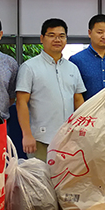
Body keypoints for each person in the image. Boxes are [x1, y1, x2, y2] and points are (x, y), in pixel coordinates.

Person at [16, 18, 85, 159]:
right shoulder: (29, 67)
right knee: (40, 173)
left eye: (61, 36)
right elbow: (21, 102)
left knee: (67, 173)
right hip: (40, 139)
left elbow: (78, 101)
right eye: (52, 35)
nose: (57, 40)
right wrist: (27, 135)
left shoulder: (72, 68)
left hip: (68, 139)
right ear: (42, 38)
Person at [69, 14, 105, 100]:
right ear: (89, 33)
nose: (104, 36)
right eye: (99, 32)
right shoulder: (76, 60)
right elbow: (73, 92)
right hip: (86, 108)